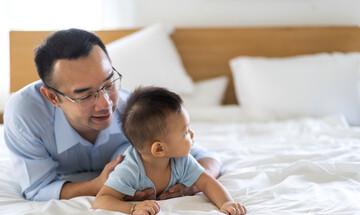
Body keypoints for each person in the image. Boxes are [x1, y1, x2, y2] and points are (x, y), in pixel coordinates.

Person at [3, 28, 221, 201]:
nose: (106, 104)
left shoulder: (133, 110)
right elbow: (38, 189)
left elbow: (205, 157)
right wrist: (99, 186)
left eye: (108, 83)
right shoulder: (25, 117)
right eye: (85, 95)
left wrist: (194, 184)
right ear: (52, 97)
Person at [92, 86, 246, 215]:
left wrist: (226, 202)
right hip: (119, 154)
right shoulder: (129, 170)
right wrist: (132, 209)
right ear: (159, 148)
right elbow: (101, 200)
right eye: (185, 132)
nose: (192, 135)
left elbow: (207, 182)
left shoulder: (182, 160)